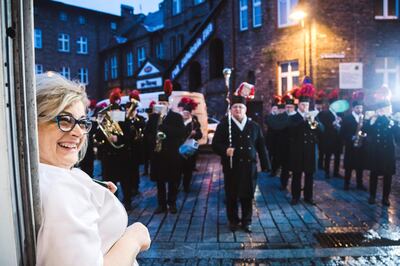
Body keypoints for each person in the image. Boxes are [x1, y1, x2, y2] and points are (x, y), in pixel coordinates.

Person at [35, 72, 150, 266]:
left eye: (82, 122)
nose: (79, 132)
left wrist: (89, 188)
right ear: (33, 122)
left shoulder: (49, 173)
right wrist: (134, 238)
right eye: (64, 120)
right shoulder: (62, 191)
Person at [212, 95, 270, 233]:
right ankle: (233, 220)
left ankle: (247, 221)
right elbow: (215, 144)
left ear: (245, 109)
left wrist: (266, 164)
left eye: (241, 107)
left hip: (249, 167)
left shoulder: (254, 126)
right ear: (231, 110)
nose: (238, 109)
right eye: (235, 107)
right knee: (232, 195)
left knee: (247, 196)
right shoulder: (225, 125)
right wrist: (225, 150)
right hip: (232, 166)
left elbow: (261, 146)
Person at [145, 80, 185, 214]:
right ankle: (161, 205)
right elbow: (147, 134)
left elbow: (181, 133)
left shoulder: (176, 117)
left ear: (168, 105)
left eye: (164, 104)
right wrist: (153, 140)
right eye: (160, 104)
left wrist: (164, 128)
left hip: (172, 154)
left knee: (173, 181)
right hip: (158, 154)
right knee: (160, 182)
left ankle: (172, 203)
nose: (162, 106)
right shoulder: (153, 118)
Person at [364, 87, 400, 206]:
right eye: (384, 108)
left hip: (388, 151)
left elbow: (397, 137)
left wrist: (397, 125)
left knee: (388, 175)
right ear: (380, 109)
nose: (386, 110)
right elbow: (365, 131)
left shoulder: (392, 120)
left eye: (387, 108)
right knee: (374, 174)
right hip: (376, 150)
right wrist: (371, 120)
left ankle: (385, 197)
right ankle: (372, 196)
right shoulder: (375, 119)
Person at [288, 81, 321, 205]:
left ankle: (308, 197)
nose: (305, 107)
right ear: (299, 106)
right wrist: (304, 120)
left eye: (306, 105)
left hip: (310, 149)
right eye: (302, 105)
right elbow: (292, 130)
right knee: (296, 174)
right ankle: (295, 197)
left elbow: (320, 130)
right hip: (297, 149)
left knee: (309, 175)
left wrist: (312, 120)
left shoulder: (313, 116)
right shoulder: (293, 117)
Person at [119, 90, 146, 209]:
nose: (131, 112)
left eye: (133, 110)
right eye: (129, 110)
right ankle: (128, 196)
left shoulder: (139, 120)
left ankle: (135, 187)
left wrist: (134, 121)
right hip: (125, 153)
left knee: (134, 172)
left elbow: (142, 130)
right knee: (126, 175)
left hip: (136, 151)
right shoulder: (122, 121)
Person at [340, 91, 367, 191]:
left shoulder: (363, 119)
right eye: (357, 108)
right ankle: (346, 184)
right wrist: (351, 137)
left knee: (360, 166)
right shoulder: (347, 118)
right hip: (350, 145)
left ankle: (359, 184)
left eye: (361, 108)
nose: (359, 110)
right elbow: (342, 133)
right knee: (349, 166)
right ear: (353, 108)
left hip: (361, 145)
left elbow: (366, 130)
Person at [177, 97, 203, 193]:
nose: (186, 115)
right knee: (178, 170)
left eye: (188, 113)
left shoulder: (194, 123)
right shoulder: (178, 122)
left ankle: (186, 186)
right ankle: (177, 185)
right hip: (178, 150)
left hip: (189, 151)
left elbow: (200, 135)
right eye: (184, 113)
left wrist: (195, 134)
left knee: (188, 171)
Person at [316, 88, 343, 179]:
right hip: (329, 138)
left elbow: (344, 125)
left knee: (337, 156)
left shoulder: (341, 114)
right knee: (328, 156)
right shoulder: (325, 114)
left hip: (338, 138)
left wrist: (340, 123)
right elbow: (323, 126)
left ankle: (336, 172)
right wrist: (333, 124)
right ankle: (327, 172)